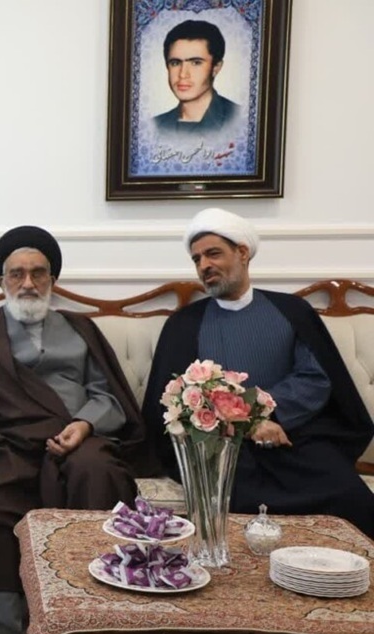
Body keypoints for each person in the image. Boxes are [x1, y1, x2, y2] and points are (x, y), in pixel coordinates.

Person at [0, 226, 146, 634]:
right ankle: (10, 617)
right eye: (17, 274)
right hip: (13, 444)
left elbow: (106, 394)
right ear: (2, 281)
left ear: (52, 280)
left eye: (38, 273)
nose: (28, 283)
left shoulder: (81, 329)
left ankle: (96, 603)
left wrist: (85, 424)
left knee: (98, 472)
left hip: (79, 438)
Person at [142, 208, 374, 538]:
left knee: (350, 495)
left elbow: (315, 378)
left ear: (242, 253)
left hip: (292, 435)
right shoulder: (184, 324)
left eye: (213, 254)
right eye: (197, 259)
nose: (204, 265)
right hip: (221, 445)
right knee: (237, 502)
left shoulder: (292, 311)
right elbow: (173, 398)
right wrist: (245, 423)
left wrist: (269, 416)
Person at [153, 19, 240, 137]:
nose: (182, 74)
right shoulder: (154, 126)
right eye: (175, 63)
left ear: (216, 67)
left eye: (196, 63)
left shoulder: (239, 120)